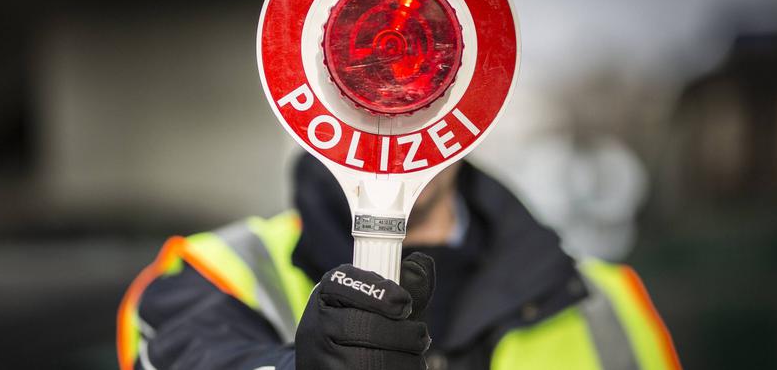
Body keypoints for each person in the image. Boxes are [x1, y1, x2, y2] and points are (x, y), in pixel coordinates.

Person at [117, 154, 681, 370]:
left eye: (419, 73)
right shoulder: (219, 273)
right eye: (364, 76)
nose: (394, 116)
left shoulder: (606, 304)